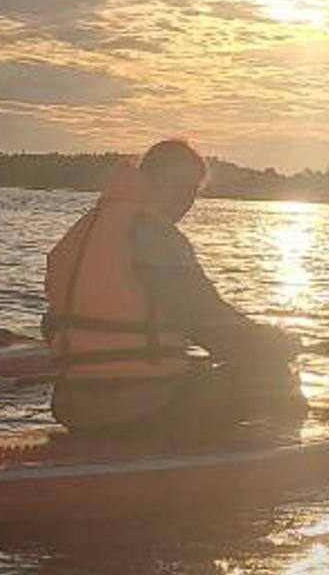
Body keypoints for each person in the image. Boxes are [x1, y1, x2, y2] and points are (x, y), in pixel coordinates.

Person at [43, 139, 305, 438]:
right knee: (272, 376)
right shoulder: (154, 235)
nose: (183, 199)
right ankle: (286, 466)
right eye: (175, 185)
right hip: (140, 407)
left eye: (191, 190)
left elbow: (52, 325)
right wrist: (274, 344)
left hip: (73, 406)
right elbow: (209, 324)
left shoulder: (87, 227)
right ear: (148, 180)